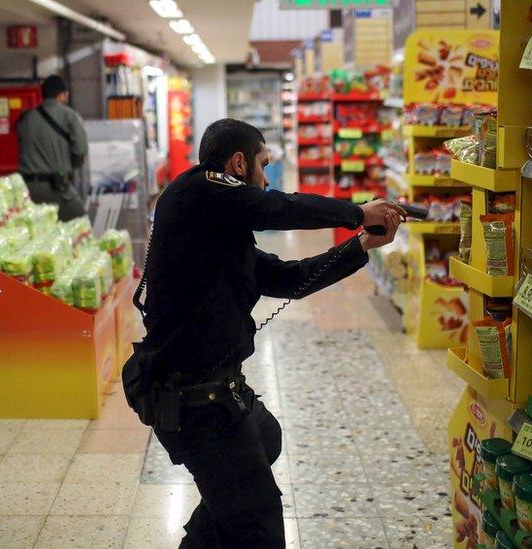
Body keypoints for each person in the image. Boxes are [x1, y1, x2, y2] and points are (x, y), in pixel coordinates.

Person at [123, 118, 405, 548]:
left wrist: (361, 244)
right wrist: (356, 212)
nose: (267, 177)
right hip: (192, 399)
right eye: (263, 164)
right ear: (238, 164)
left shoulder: (218, 228)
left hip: (215, 389)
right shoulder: (196, 191)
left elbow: (286, 278)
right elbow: (280, 207)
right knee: (259, 527)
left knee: (265, 439)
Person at [16, 75, 89, 221]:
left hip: (28, 189)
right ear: (62, 94)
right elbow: (80, 150)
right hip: (57, 188)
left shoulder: (26, 118)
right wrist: (72, 165)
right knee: (81, 226)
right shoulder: (69, 115)